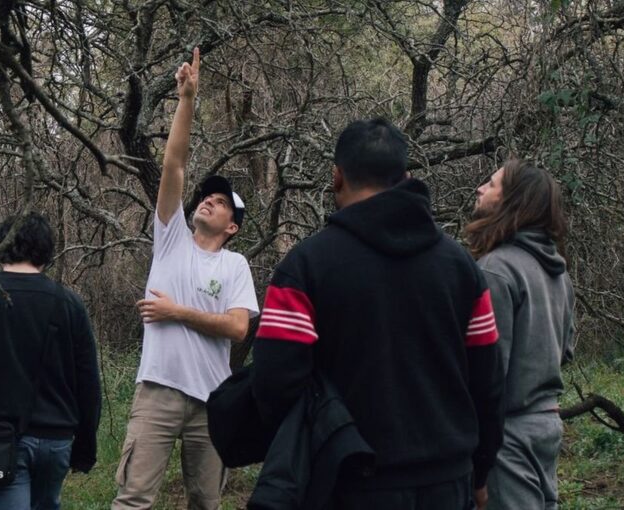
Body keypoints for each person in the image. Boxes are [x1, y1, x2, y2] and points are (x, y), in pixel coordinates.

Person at [251, 118, 505, 510]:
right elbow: (488, 382)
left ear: (337, 177)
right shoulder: (462, 268)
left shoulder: (304, 268)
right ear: (405, 176)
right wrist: (481, 470)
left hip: (348, 480)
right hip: (449, 482)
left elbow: (275, 383)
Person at [111, 48, 259, 510]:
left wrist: (177, 312)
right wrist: (187, 100)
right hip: (157, 389)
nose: (209, 202)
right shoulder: (171, 238)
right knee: (133, 498)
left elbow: (238, 328)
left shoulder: (234, 266)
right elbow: (174, 165)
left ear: (232, 226)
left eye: (221, 202)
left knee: (206, 504)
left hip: (211, 401)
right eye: (207, 197)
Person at [0, 211, 102, 510]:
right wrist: (84, 451)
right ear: (47, 252)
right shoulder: (69, 304)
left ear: (2, 247)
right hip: (57, 445)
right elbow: (89, 384)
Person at [466, 159, 575, 510]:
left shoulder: (496, 269)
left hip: (509, 435)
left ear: (513, 201)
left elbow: (488, 372)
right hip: (548, 426)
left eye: (492, 184)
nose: (481, 188)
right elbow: (565, 351)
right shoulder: (559, 272)